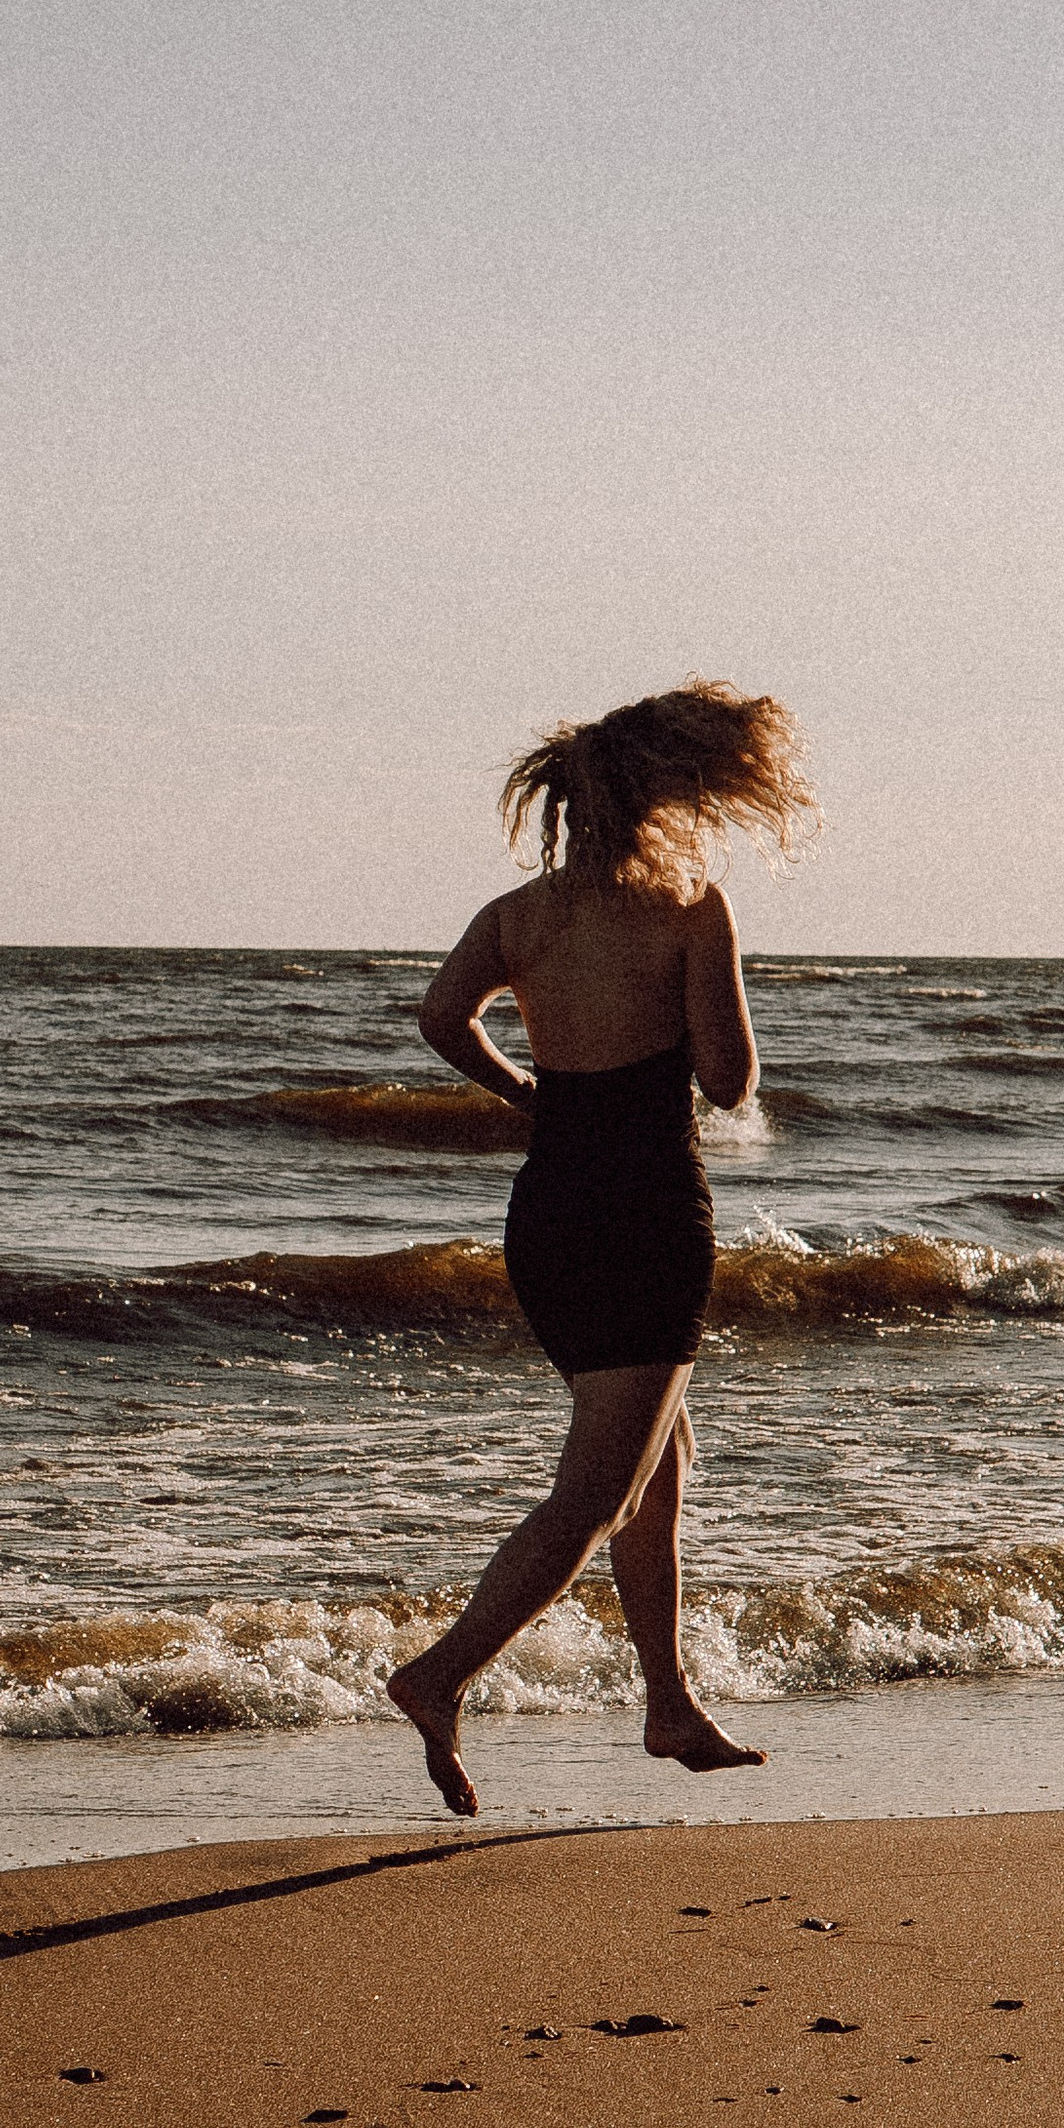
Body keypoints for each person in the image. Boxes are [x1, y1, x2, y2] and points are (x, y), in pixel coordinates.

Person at [386, 680, 816, 1816]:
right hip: (644, 1215)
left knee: (660, 1468)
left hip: (549, 1213)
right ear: (663, 800)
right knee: (595, 1497)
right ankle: (438, 1676)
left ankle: (668, 1705)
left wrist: (526, 1089)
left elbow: (441, 1017)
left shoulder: (514, 917)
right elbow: (726, 1083)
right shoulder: (689, 905)